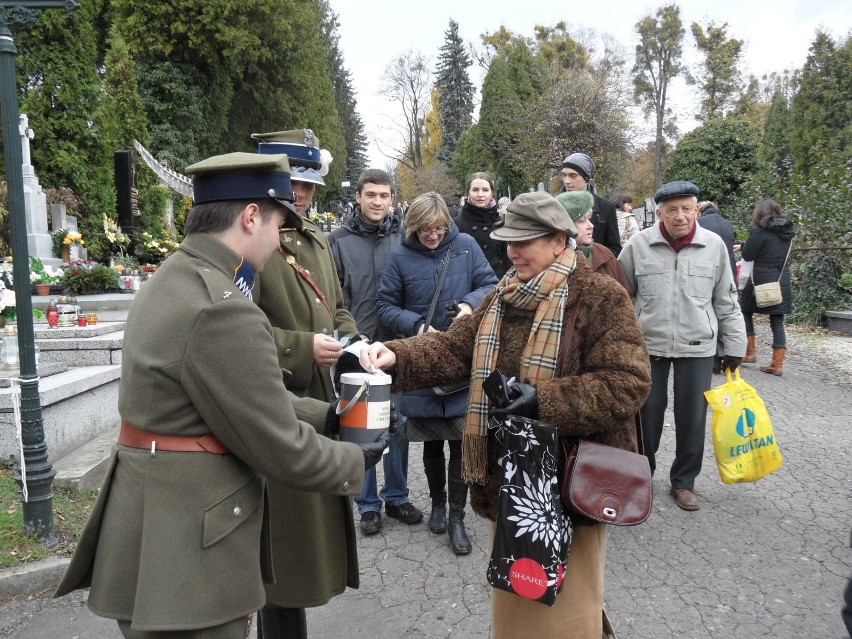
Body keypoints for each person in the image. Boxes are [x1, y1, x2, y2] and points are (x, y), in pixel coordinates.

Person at [53, 152, 388, 639]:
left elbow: (230, 394)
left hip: (154, 524)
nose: (279, 241)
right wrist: (355, 460)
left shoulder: (175, 277)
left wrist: (328, 417)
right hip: (191, 550)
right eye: (277, 224)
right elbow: (275, 442)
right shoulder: (222, 307)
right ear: (251, 216)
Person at [362, 190, 651, 637]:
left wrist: (543, 399)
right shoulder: (503, 294)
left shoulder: (600, 296)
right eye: (507, 241)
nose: (510, 251)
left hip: (568, 486)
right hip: (511, 481)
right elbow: (455, 347)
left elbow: (627, 383)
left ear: (559, 240)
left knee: (569, 610)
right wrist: (394, 356)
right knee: (518, 602)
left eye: (523, 241)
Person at [250, 130, 364, 637]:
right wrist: (300, 346)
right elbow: (231, 331)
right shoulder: (251, 241)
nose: (300, 195)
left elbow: (335, 305)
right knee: (283, 550)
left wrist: (354, 342)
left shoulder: (316, 239)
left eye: (309, 187)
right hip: (278, 402)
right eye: (292, 184)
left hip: (321, 396)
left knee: (309, 540)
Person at [376, 192, 498, 555]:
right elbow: (385, 305)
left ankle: (457, 516)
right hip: (424, 361)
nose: (433, 235)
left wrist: (467, 304)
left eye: (439, 228)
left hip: (461, 357)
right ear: (414, 227)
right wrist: (417, 326)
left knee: (461, 440)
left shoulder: (465, 245)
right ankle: (438, 504)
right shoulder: (400, 256)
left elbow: (490, 284)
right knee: (431, 440)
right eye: (426, 230)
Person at [618, 180, 746, 512]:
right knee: (647, 414)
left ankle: (684, 482)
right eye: (672, 209)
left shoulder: (714, 245)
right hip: (648, 345)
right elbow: (620, 297)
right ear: (659, 212)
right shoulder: (638, 245)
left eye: (687, 208)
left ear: (697, 210)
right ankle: (641, 476)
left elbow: (727, 299)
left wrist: (735, 342)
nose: (680, 216)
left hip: (698, 344)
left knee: (693, 417)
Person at [328, 168, 424, 536]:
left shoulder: (403, 239)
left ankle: (397, 495)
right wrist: (349, 340)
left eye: (384, 196)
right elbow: (333, 298)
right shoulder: (337, 241)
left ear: (392, 198)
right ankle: (366, 503)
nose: (378, 202)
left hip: (396, 346)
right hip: (356, 349)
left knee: (397, 424)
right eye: (371, 195)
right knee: (362, 429)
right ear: (358, 197)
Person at [738, 199, 796, 376]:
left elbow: (748, 255)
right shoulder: (788, 232)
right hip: (780, 281)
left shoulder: (760, 232)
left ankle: (749, 353)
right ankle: (777, 365)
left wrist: (742, 247)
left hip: (759, 282)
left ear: (759, 213)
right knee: (777, 322)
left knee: (745, 312)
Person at [556, 191, 631, 294]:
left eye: (589, 219)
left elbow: (626, 296)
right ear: (566, 226)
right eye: (582, 221)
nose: (591, 226)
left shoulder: (605, 255)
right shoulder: (552, 259)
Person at [697, 201, 739, 374]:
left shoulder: (700, 224)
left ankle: (713, 358)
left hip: (705, 271)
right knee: (724, 311)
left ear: (699, 210)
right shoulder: (727, 223)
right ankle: (723, 352)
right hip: (728, 270)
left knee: (708, 314)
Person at [561, 152, 621, 256]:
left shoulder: (606, 208)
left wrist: (595, 261)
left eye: (573, 175)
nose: (567, 181)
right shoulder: (555, 206)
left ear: (586, 178)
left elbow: (615, 249)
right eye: (564, 175)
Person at [454, 171, 511, 278]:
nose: (480, 194)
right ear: (468, 193)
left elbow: (508, 259)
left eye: (485, 190)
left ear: (491, 193)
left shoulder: (500, 223)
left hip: (497, 282)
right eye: (475, 190)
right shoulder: (456, 224)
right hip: (468, 284)